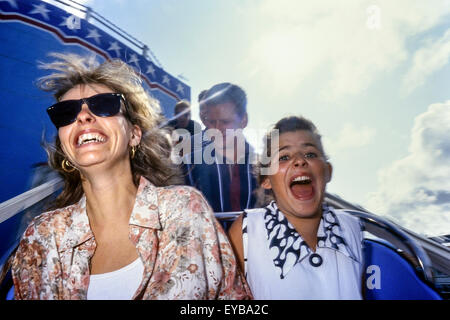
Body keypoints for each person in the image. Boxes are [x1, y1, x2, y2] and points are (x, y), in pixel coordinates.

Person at [10, 53, 251, 300]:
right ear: (63, 143)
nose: (82, 116)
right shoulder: (39, 237)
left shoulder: (186, 209)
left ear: (134, 134)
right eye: (66, 113)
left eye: (104, 105)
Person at [228, 116, 363, 299]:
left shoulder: (352, 227)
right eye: (284, 157)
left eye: (310, 154)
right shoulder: (247, 230)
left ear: (328, 171)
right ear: (266, 179)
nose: (300, 161)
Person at [183, 83, 257, 216]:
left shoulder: (262, 167)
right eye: (211, 122)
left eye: (225, 121)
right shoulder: (188, 164)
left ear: (243, 120)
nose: (217, 129)